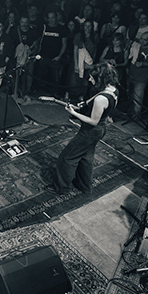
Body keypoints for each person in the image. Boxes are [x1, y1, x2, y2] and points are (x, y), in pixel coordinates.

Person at [52, 61, 118, 194]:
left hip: (90, 131)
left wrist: (74, 113)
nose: (89, 79)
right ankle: (84, 185)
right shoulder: (113, 90)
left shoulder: (101, 99)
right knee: (86, 158)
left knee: (67, 158)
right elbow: (97, 101)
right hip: (100, 130)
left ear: (100, 78)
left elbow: (93, 121)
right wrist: (83, 104)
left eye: (92, 78)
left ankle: (62, 187)